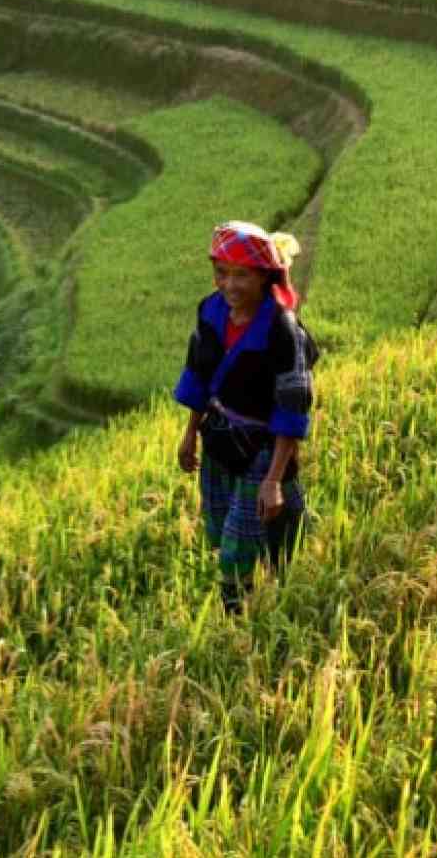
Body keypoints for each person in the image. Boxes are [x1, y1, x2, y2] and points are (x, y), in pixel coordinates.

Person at [174, 220, 319, 614]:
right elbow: (199, 373)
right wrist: (190, 434)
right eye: (222, 273)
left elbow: (292, 405)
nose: (230, 285)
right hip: (219, 436)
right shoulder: (210, 311)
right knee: (222, 526)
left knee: (239, 543)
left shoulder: (281, 330)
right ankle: (291, 543)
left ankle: (237, 614)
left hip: (262, 445)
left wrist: (272, 478)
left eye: (242, 275)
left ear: (263, 277)